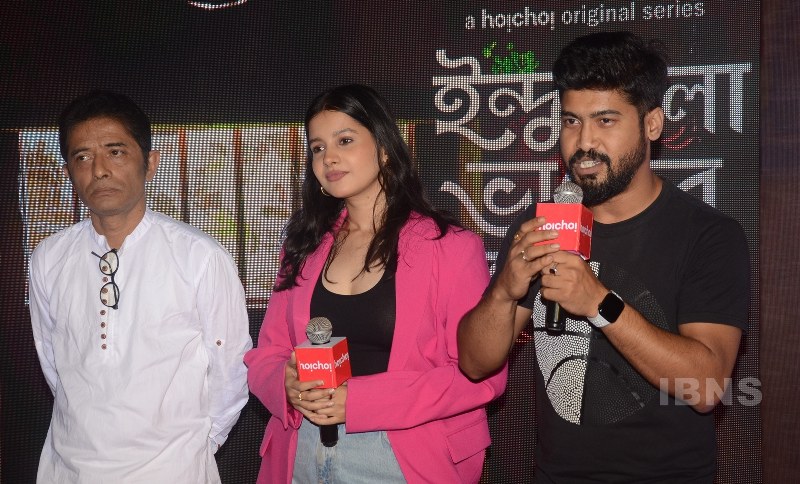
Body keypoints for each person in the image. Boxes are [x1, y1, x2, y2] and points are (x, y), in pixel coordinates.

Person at [457, 31, 749, 482]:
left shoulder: (708, 235)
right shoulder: (540, 225)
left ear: (652, 125)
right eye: (571, 121)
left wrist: (598, 302)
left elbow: (706, 386)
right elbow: (475, 364)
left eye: (605, 120)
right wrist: (503, 292)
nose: (584, 142)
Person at [245, 84, 506, 483]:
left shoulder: (451, 247)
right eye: (317, 148)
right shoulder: (303, 244)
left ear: (384, 149)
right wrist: (286, 384)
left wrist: (360, 403)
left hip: (402, 456)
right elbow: (267, 354)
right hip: (300, 451)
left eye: (345, 140)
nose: (328, 157)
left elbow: (479, 379)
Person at [29, 90, 252, 483]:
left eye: (115, 152)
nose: (99, 170)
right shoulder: (49, 257)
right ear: (68, 172)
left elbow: (230, 369)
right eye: (82, 157)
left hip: (174, 470)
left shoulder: (199, 256)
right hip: (68, 469)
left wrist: (196, 448)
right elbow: (54, 362)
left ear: (150, 163)